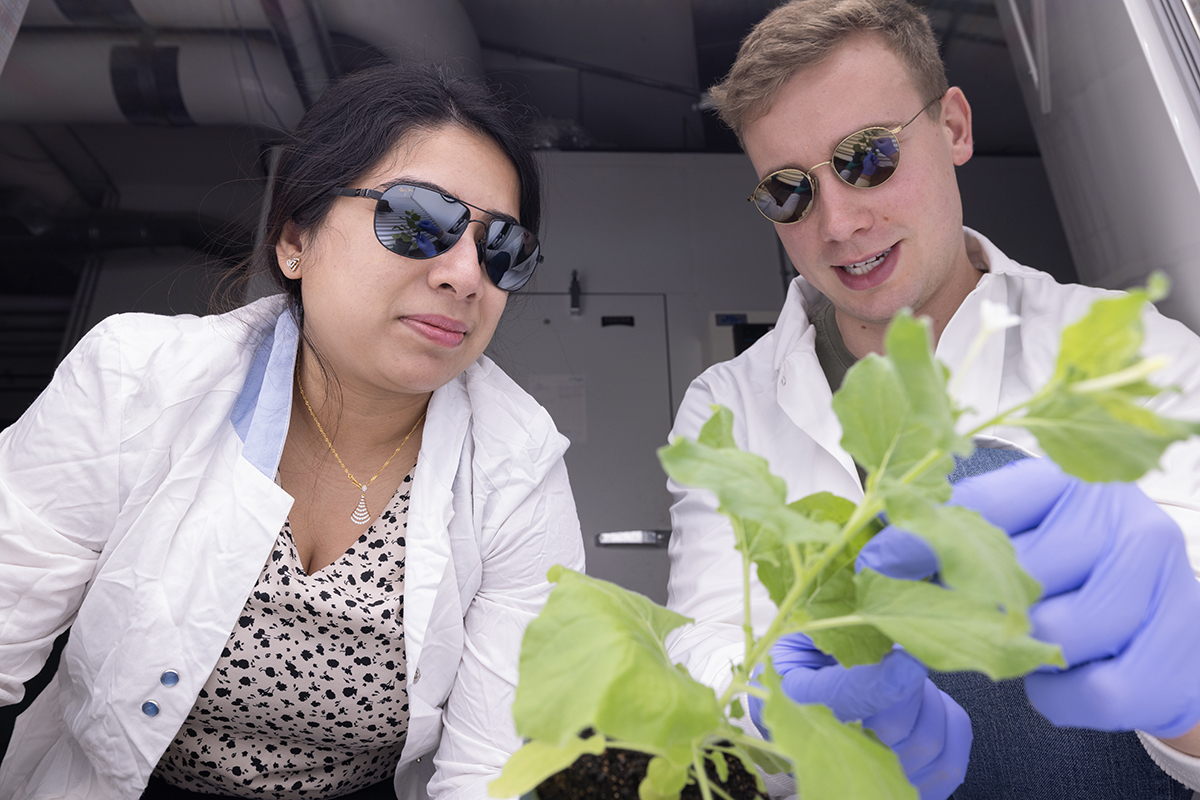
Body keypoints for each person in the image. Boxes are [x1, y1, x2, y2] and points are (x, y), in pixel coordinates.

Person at [0, 63, 584, 800]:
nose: (466, 275)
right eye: (416, 220)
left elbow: (488, 769)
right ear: (293, 240)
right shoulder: (135, 381)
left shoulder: (518, 466)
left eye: (502, 248)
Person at [664, 1, 1200, 798]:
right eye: (788, 193)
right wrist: (768, 711)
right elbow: (702, 654)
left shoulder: (1130, 352)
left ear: (953, 128)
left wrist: (1181, 684)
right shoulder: (728, 406)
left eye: (868, 157)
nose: (839, 223)